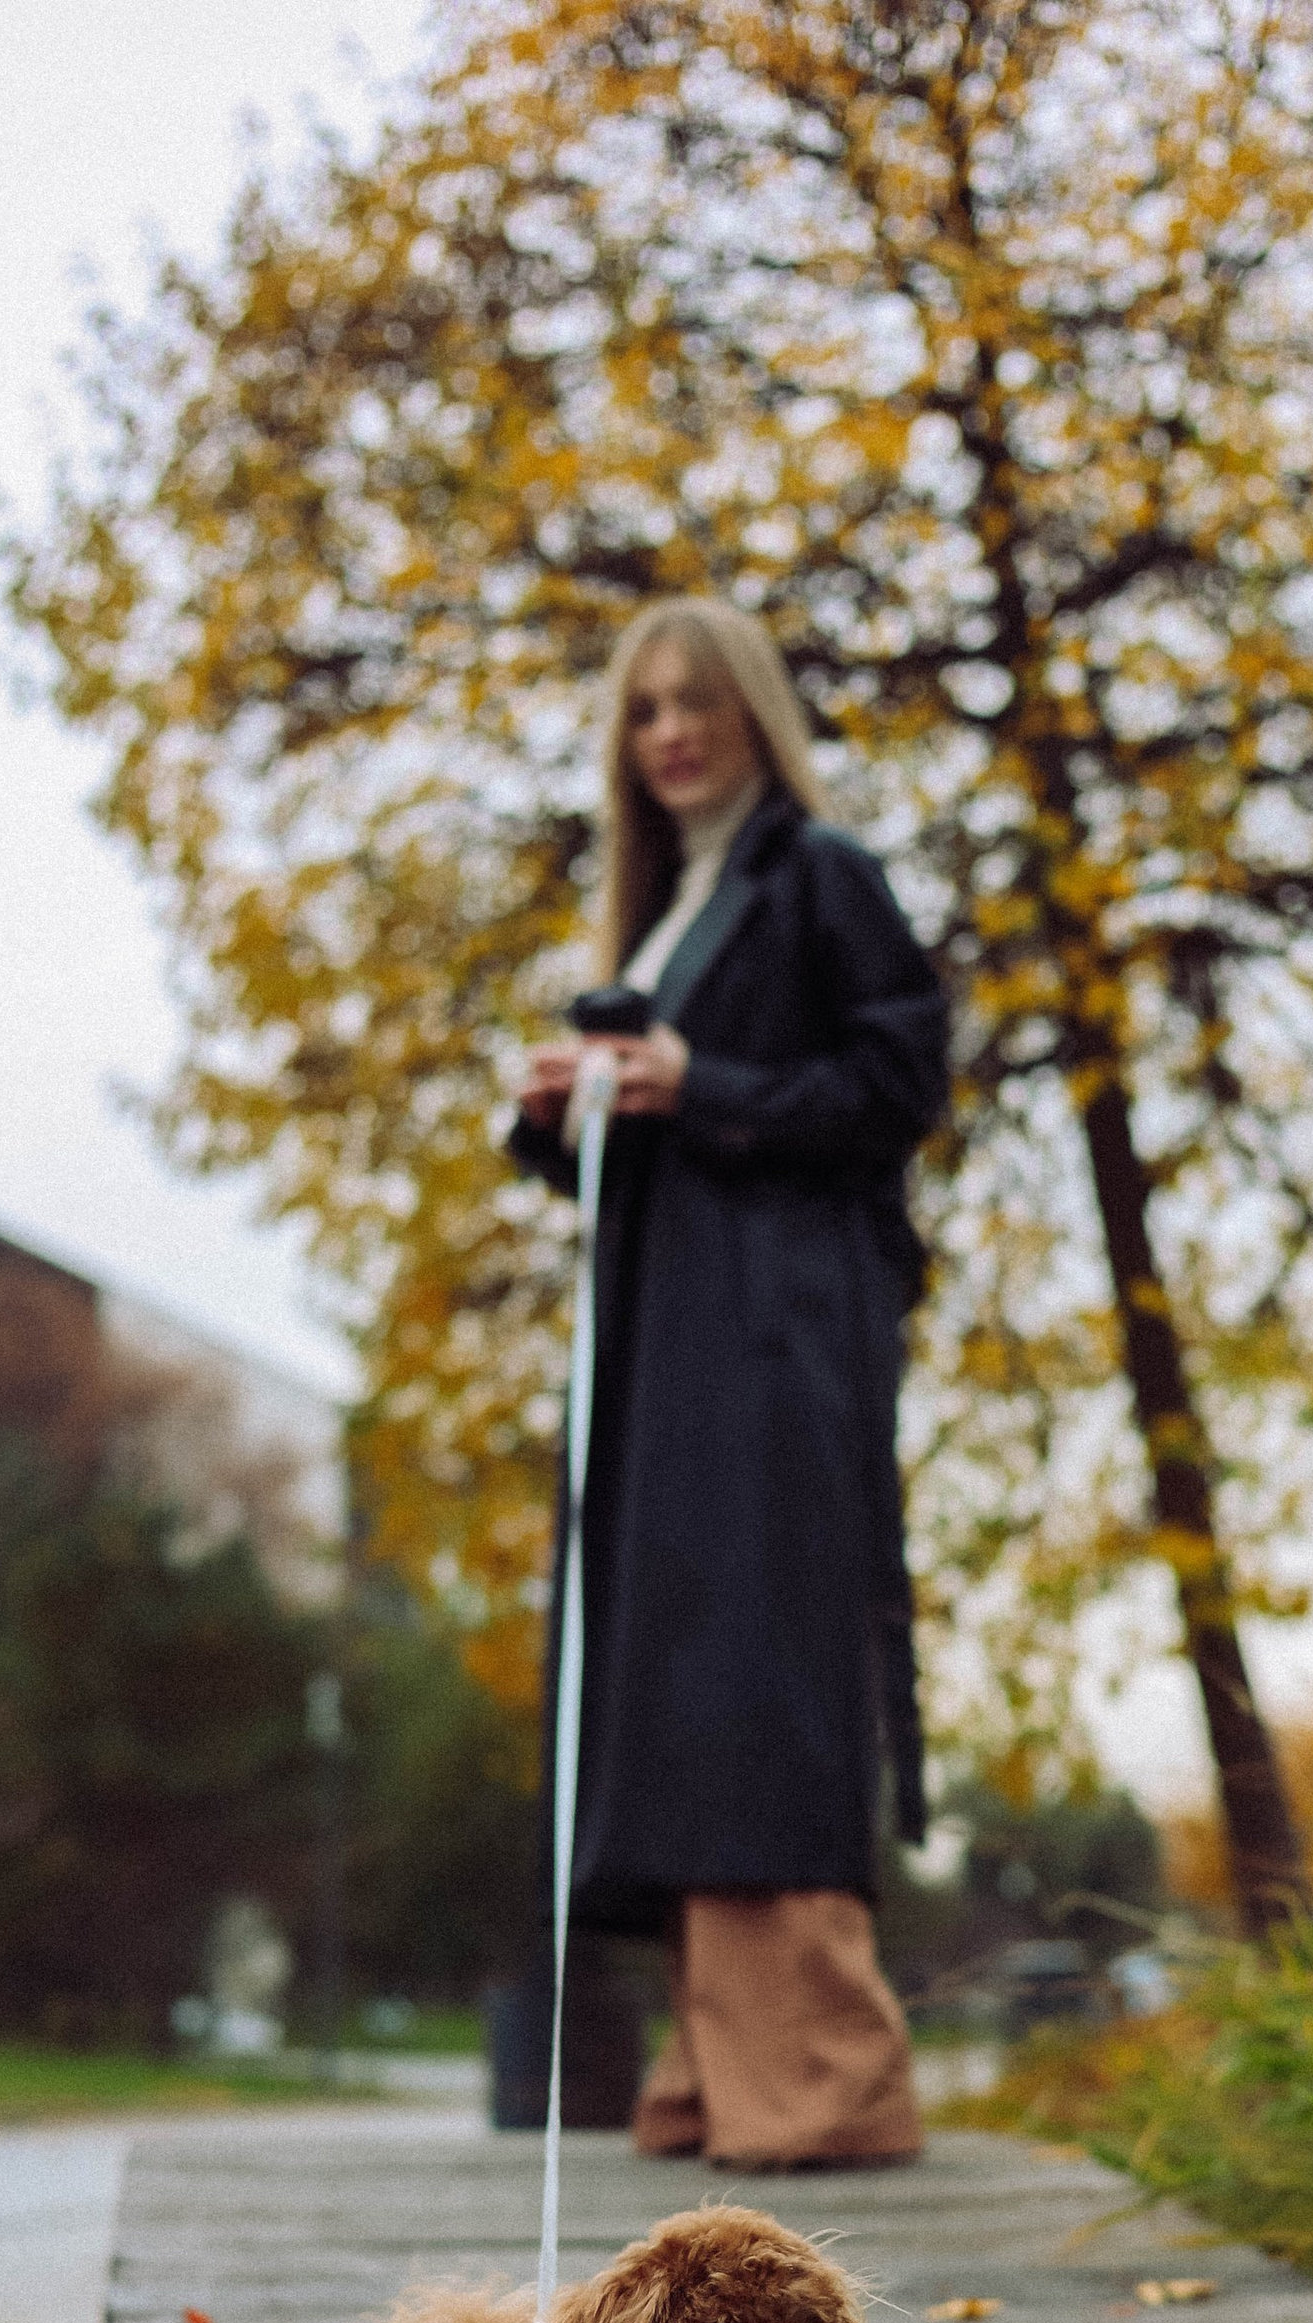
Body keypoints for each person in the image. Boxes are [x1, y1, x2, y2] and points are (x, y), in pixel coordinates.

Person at [508, 594, 947, 2170]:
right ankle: (723, 2068)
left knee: (759, 1661)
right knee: (679, 1669)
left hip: (777, 1341)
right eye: (644, 710)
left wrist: (705, 1082)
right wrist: (566, 1115)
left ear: (754, 708)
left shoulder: (819, 874)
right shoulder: (660, 911)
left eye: (697, 700)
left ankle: (820, 2078)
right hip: (668, 1345)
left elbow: (902, 1079)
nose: (671, 732)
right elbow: (665, 1138)